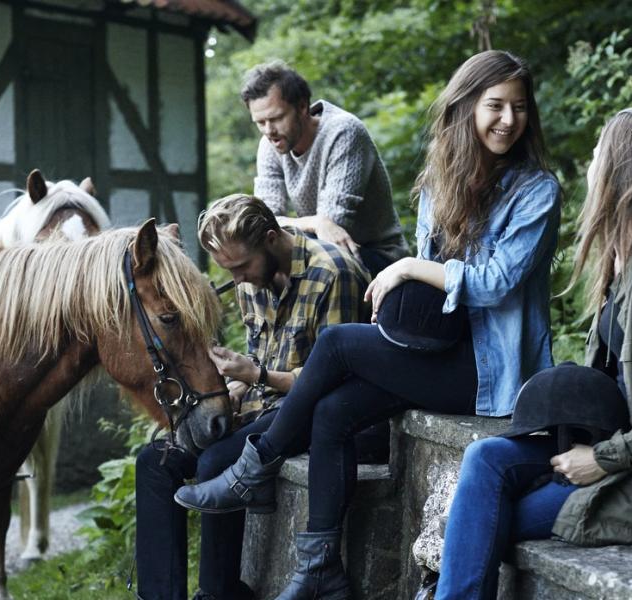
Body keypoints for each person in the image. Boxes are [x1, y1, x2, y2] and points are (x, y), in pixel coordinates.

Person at [176, 50, 561, 599]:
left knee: (335, 343)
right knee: (334, 412)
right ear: (465, 109)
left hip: (488, 368)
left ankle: (254, 466)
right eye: (494, 106)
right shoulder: (439, 184)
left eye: (519, 108)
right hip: (436, 346)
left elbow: (496, 281)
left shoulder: (536, 191)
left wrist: (406, 266)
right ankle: (320, 570)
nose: (508, 119)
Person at [432, 107, 632, 599]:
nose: (592, 161)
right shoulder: (626, 261)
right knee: (487, 458)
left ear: (625, 168)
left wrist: (603, 458)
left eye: (600, 151)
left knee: (488, 517)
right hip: (625, 454)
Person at [134, 193, 370, 600]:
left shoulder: (334, 274)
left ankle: (217, 593)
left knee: (215, 462)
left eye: (241, 267)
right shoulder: (251, 279)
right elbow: (259, 358)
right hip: (262, 406)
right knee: (155, 461)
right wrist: (235, 386)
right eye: (229, 270)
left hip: (311, 416)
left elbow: (336, 383)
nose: (237, 279)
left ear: (273, 239)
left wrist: (256, 374)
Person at [244, 60, 408, 276]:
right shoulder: (269, 144)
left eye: (276, 118)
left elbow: (334, 223)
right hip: (320, 248)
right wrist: (316, 222)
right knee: (258, 263)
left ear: (302, 107)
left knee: (312, 258)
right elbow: (263, 222)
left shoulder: (343, 132)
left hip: (376, 256)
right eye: (260, 122)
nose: (269, 130)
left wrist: (321, 224)